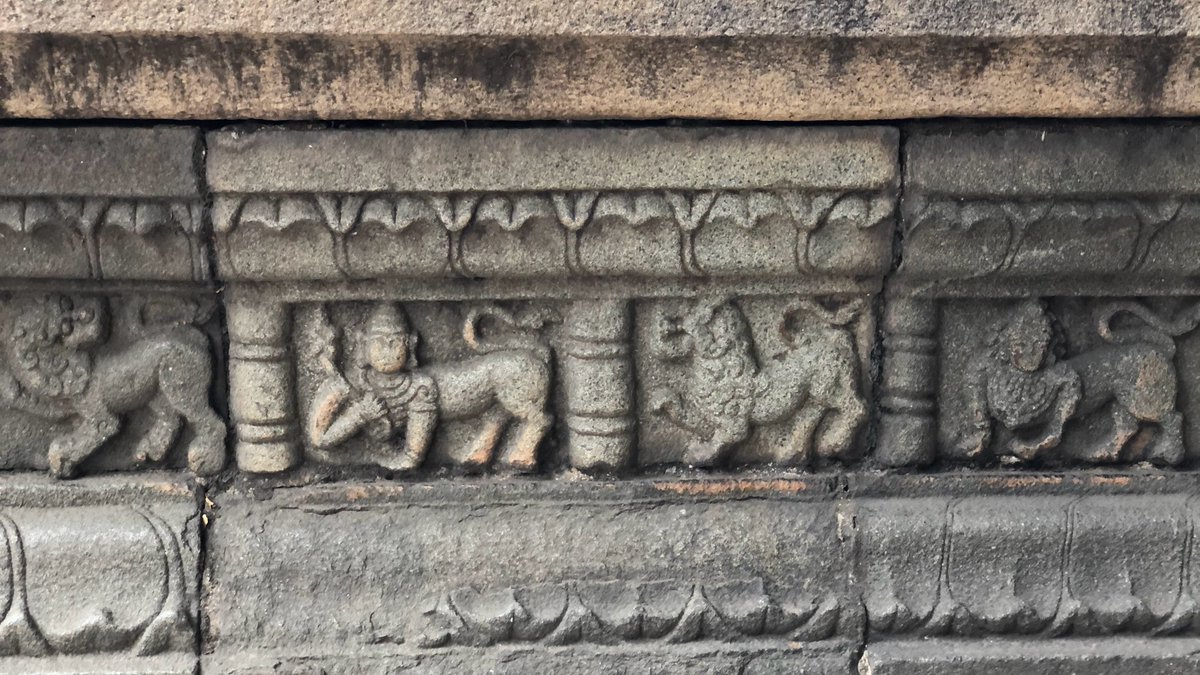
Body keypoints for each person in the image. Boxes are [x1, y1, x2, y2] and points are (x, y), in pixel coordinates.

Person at [307, 302, 438, 471]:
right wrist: (359, 415)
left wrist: (389, 459)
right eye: (379, 342)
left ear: (410, 343)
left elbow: (412, 457)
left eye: (395, 342)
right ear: (363, 342)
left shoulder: (420, 388)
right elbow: (319, 439)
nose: (387, 350)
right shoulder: (351, 382)